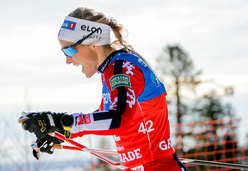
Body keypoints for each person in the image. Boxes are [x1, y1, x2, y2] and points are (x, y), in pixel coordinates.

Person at [20, 6, 188, 171]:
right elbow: (104, 118)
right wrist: (59, 132)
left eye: (69, 50)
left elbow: (119, 118)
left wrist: (60, 121)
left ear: (94, 43)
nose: (68, 60)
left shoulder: (122, 68)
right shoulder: (113, 69)